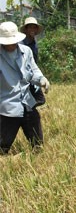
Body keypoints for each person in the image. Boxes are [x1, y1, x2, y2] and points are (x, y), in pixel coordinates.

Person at [0, 21, 50, 154]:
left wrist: (41, 79)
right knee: (2, 148)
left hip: (27, 102)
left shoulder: (26, 51)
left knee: (37, 145)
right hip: (7, 107)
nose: (10, 44)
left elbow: (33, 70)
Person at [20, 16, 45, 106]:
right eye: (30, 27)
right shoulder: (21, 44)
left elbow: (34, 62)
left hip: (33, 75)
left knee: (40, 100)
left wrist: (38, 76)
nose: (33, 29)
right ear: (26, 29)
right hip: (24, 77)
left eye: (34, 27)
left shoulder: (34, 43)